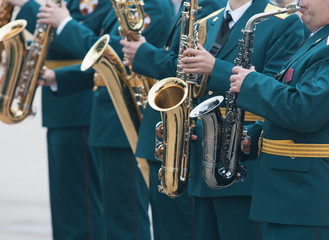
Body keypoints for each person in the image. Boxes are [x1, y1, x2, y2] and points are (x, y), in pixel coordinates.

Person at [35, 0, 175, 239]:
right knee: (112, 222)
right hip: (107, 123)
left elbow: (110, 55)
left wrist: (65, 23)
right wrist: (57, 76)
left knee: (125, 221)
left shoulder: (151, 4)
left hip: (125, 124)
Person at [177, 0, 304, 239]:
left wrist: (215, 68)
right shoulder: (207, 21)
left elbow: (274, 89)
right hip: (202, 158)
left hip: (243, 159)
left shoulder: (282, 22)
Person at [229, 0, 329, 238]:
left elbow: (306, 111)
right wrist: (253, 137)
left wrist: (252, 83)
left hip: (311, 202)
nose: (299, 2)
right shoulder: (320, 38)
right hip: (292, 200)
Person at [120, 1, 225, 239]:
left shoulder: (211, 5)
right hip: (169, 137)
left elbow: (189, 68)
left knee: (179, 229)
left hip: (184, 142)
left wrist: (144, 54)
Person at [7, 0, 111, 239]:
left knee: (81, 209)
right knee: (65, 210)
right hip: (63, 107)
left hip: (80, 105)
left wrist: (27, 6)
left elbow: (79, 40)